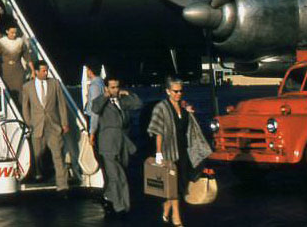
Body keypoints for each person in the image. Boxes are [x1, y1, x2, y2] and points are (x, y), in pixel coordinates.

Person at [147, 77, 212, 227]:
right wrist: (158, 153)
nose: (178, 94)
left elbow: (188, 129)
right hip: (168, 152)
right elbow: (158, 132)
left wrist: (189, 113)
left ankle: (166, 209)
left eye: (181, 91)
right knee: (173, 186)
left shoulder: (183, 109)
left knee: (180, 184)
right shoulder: (161, 108)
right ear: (168, 91)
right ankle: (177, 218)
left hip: (183, 151)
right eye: (175, 91)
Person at [91, 76, 142, 215]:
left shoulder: (122, 100)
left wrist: (128, 93)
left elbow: (138, 104)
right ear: (106, 88)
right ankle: (122, 207)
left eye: (117, 87)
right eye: (112, 87)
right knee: (117, 177)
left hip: (123, 143)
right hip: (108, 144)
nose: (115, 90)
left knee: (122, 172)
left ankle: (108, 196)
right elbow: (94, 108)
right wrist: (106, 95)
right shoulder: (102, 102)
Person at [21, 60, 70, 193]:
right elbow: (25, 107)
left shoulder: (55, 84)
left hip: (53, 125)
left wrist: (64, 123)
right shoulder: (27, 87)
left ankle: (62, 186)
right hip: (37, 126)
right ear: (36, 72)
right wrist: (28, 122)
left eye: (47, 70)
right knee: (38, 154)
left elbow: (61, 104)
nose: (46, 72)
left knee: (58, 155)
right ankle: (39, 174)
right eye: (43, 70)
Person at [0, 24, 34, 104]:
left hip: (18, 70)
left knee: (20, 91)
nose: (14, 34)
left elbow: (27, 57)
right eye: (12, 32)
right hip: (5, 71)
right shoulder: (1, 42)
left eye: (15, 33)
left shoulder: (20, 41)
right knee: (9, 91)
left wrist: (33, 70)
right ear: (7, 31)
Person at [83, 61, 105, 146]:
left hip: (96, 123)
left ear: (90, 71)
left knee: (97, 152)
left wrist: (92, 133)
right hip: (101, 120)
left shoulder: (94, 87)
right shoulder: (101, 83)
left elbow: (95, 110)